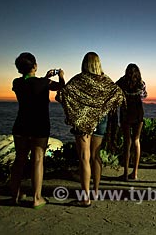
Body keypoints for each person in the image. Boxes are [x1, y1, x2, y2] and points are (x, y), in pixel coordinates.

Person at [57, 52, 124, 207]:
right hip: (100, 120)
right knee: (95, 156)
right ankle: (95, 191)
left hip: (83, 122)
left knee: (84, 158)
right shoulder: (105, 80)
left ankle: (85, 197)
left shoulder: (79, 79)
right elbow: (118, 95)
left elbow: (63, 94)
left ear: (84, 63)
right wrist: (104, 107)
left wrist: (61, 78)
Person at [11, 52, 65, 209]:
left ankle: (15, 195)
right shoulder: (44, 83)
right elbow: (62, 87)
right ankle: (36, 198)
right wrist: (60, 75)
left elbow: (30, 83)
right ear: (34, 65)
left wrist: (43, 77)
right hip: (39, 125)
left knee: (19, 159)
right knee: (38, 159)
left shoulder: (17, 83)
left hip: (21, 125)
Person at [116, 64, 147, 181]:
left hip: (125, 112)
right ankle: (135, 173)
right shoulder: (141, 83)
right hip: (138, 112)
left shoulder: (121, 82)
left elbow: (114, 90)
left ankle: (125, 174)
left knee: (127, 142)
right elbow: (144, 96)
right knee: (136, 140)